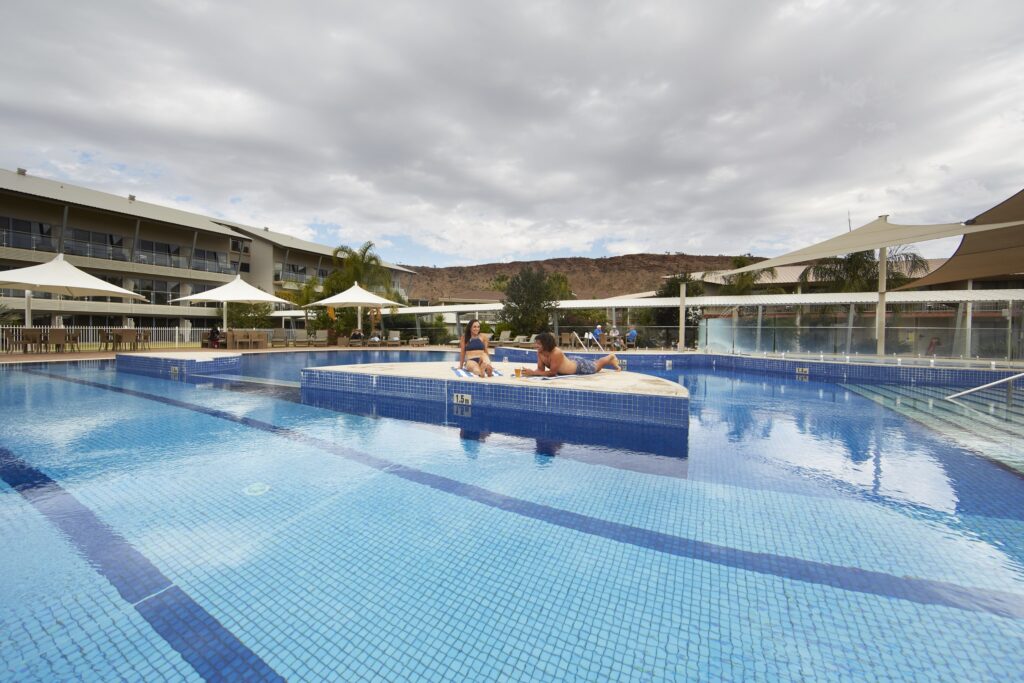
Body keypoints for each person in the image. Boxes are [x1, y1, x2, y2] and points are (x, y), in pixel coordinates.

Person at [524, 332, 620, 377]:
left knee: (597, 366)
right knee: (595, 364)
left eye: (539, 344)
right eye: (536, 343)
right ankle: (610, 358)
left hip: (578, 366)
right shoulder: (540, 352)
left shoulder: (556, 353)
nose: (536, 345)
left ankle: (610, 357)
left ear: (546, 344)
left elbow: (552, 373)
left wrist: (533, 373)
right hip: (570, 362)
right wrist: (529, 373)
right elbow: (540, 370)